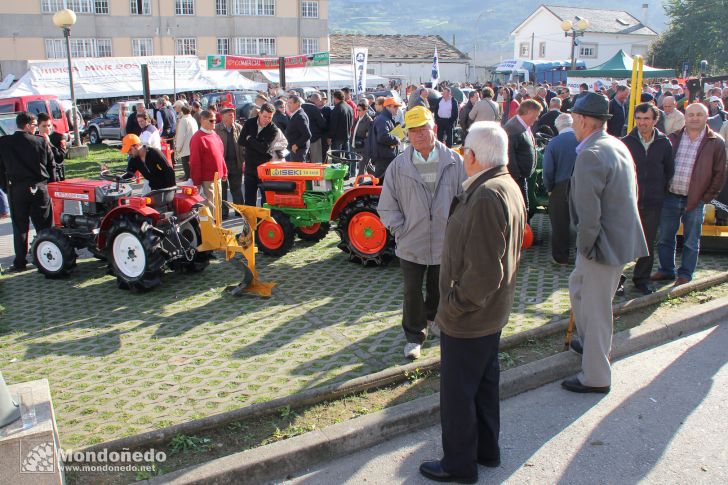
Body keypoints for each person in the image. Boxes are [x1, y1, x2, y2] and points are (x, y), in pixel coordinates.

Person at [418, 121, 525, 484]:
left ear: (474, 156)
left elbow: (482, 273)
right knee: (482, 385)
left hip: (471, 317)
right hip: (489, 314)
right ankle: (486, 452)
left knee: (458, 395)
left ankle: (459, 466)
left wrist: (453, 305)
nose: (463, 154)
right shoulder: (504, 184)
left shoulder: (486, 194)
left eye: (465, 149)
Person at [562, 93, 648, 394]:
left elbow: (589, 214)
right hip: (615, 240)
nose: (572, 122)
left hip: (600, 245)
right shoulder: (615, 144)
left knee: (597, 310)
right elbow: (632, 192)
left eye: (574, 117)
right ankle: (589, 345)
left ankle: (595, 376)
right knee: (579, 290)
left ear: (585, 120)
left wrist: (586, 247)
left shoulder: (591, 154)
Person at [378, 106, 467, 360]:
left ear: (434, 129)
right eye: (413, 131)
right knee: (411, 291)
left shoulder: (454, 160)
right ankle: (414, 336)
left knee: (440, 287)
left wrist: (457, 231)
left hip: (445, 241)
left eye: (423, 129)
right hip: (411, 241)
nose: (418, 136)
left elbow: (466, 199)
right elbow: (386, 205)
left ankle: (434, 320)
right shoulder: (398, 166)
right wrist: (400, 230)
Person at [652, 103, 727, 286]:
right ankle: (666, 270)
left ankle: (685, 274)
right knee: (665, 238)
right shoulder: (673, 138)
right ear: (685, 117)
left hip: (696, 200)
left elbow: (719, 173)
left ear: (706, 117)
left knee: (691, 240)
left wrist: (706, 197)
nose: (694, 118)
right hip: (671, 196)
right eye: (691, 114)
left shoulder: (716, 142)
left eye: (699, 115)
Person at [621, 103, 674, 295]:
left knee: (648, 242)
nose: (642, 123)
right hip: (629, 202)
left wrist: (658, 190)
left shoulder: (663, 143)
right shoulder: (626, 142)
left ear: (655, 120)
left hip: (653, 201)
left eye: (646, 119)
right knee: (623, 242)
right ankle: (618, 280)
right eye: (639, 118)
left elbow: (669, 170)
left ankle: (641, 278)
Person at [0, 112, 55, 272]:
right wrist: (50, 185)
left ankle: (20, 262)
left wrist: (6, 187)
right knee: (43, 225)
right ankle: (45, 259)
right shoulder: (40, 142)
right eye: (34, 125)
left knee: (20, 227)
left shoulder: (4, 143)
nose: (35, 128)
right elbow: (51, 166)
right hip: (39, 187)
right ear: (27, 125)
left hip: (17, 189)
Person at [542, 113, 578, 265]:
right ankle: (582, 255)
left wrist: (549, 187)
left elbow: (548, 169)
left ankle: (560, 256)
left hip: (560, 185)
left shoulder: (554, 143)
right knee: (581, 221)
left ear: (557, 127)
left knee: (559, 223)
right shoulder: (582, 140)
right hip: (582, 182)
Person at [240, 103, 284, 206]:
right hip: (250, 167)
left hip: (264, 168)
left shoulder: (273, 128)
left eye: (270, 117)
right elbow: (241, 141)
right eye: (265, 116)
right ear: (259, 113)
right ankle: (250, 221)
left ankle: (263, 221)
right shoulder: (250, 123)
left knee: (265, 200)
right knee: (249, 199)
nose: (267, 119)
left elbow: (264, 149)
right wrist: (257, 143)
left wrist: (250, 139)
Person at [504, 99, 542, 208]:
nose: (537, 118)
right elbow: (509, 155)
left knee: (525, 207)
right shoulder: (513, 128)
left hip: (522, 177)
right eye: (536, 115)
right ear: (529, 112)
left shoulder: (523, 126)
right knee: (522, 207)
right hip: (517, 179)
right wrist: (517, 176)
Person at [189, 110, 227, 212]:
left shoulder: (214, 134)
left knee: (217, 206)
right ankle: (211, 227)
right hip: (207, 180)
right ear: (202, 120)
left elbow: (220, 154)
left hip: (217, 178)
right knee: (210, 208)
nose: (214, 122)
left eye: (215, 120)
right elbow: (195, 162)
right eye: (211, 120)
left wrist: (224, 170)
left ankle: (217, 225)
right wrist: (197, 182)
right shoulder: (197, 138)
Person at [215, 104, 245, 219]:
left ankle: (239, 210)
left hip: (236, 163)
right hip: (222, 165)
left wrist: (244, 159)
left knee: (236, 188)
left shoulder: (238, 127)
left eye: (233, 113)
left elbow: (243, 146)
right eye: (229, 114)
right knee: (222, 190)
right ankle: (223, 212)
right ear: (223, 117)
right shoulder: (216, 129)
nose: (232, 115)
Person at [368, 97, 401, 179]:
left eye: (397, 107)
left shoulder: (385, 118)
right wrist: (396, 139)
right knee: (382, 184)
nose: (397, 109)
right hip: (384, 158)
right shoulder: (383, 119)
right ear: (388, 107)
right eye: (395, 107)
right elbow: (382, 136)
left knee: (387, 182)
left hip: (386, 156)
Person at [37, 112, 66, 182]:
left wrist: (49, 143)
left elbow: (60, 158)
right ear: (38, 126)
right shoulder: (34, 138)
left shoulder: (59, 137)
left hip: (56, 174)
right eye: (44, 126)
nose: (47, 128)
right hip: (39, 175)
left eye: (49, 125)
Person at [174, 103, 198, 181]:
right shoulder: (193, 119)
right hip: (193, 146)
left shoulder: (183, 120)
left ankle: (189, 180)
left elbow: (181, 136)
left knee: (187, 168)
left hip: (186, 148)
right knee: (192, 168)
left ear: (182, 111)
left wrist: (178, 148)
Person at [301, 93, 327, 163]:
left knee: (304, 160)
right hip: (314, 138)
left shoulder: (301, 107)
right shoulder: (315, 109)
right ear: (317, 100)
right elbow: (322, 124)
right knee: (316, 161)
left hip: (302, 138)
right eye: (320, 101)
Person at [285, 95, 311, 162]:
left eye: (290, 103)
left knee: (298, 170)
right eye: (288, 103)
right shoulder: (296, 114)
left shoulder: (300, 116)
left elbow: (307, 134)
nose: (288, 105)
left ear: (297, 104)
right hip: (296, 149)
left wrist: (296, 145)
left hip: (298, 150)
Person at [351, 101, 373, 175]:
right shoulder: (358, 119)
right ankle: (378, 179)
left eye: (359, 110)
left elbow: (370, 135)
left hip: (364, 148)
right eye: (357, 110)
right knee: (367, 165)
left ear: (365, 110)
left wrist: (364, 142)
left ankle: (358, 183)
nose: (357, 111)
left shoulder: (368, 120)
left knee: (362, 166)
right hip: (357, 146)